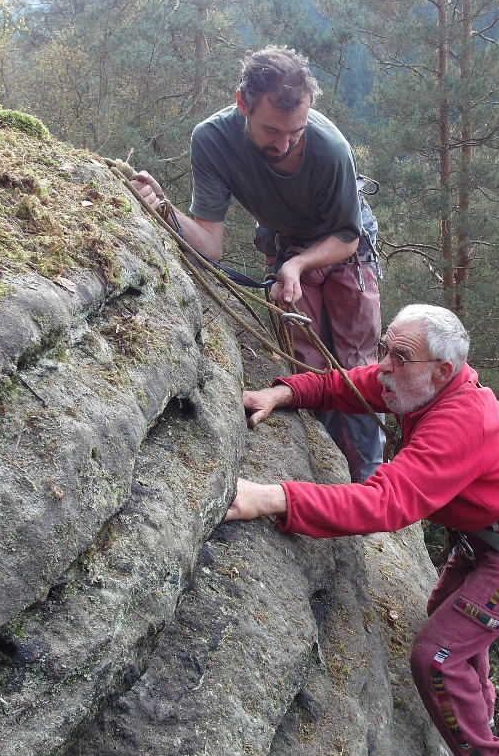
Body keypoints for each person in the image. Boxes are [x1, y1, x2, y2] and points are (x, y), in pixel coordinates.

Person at [225, 304, 499, 756]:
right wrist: (286, 392)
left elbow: (384, 504)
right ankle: (479, 708)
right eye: (386, 347)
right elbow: (351, 384)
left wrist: (273, 499)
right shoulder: (420, 383)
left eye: (399, 356)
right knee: (450, 621)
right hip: (491, 529)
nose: (384, 364)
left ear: (441, 371)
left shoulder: (460, 423)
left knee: (437, 656)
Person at [131, 45, 384, 483]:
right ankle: (328, 477)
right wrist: (164, 209)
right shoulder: (212, 141)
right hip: (285, 243)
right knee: (306, 364)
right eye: (271, 130)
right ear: (242, 103)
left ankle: (369, 483)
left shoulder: (330, 149)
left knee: (354, 367)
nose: (284, 144)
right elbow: (209, 243)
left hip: (341, 247)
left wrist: (300, 264)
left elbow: (348, 234)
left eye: (296, 132)